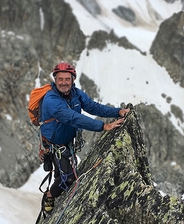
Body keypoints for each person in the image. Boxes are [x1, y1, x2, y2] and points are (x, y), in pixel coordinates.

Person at [40, 61, 130, 214]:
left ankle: (56, 184)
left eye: (67, 79)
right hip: (55, 145)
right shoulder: (51, 100)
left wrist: (118, 112)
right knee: (68, 178)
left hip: (66, 141)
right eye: (60, 79)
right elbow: (73, 118)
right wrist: (103, 126)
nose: (64, 83)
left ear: (73, 80)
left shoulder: (76, 94)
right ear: (55, 80)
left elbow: (93, 107)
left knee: (64, 172)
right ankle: (49, 195)